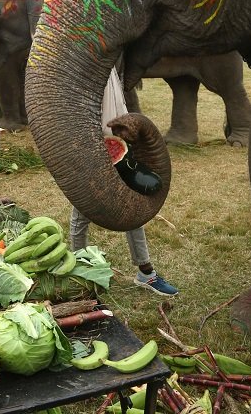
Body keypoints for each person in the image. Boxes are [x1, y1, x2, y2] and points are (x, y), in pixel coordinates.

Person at [69, 68, 179, 296]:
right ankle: (78, 268)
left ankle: (145, 272)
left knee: (132, 205)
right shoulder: (79, 67)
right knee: (82, 210)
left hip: (118, 140)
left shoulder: (108, 64)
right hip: (91, 146)